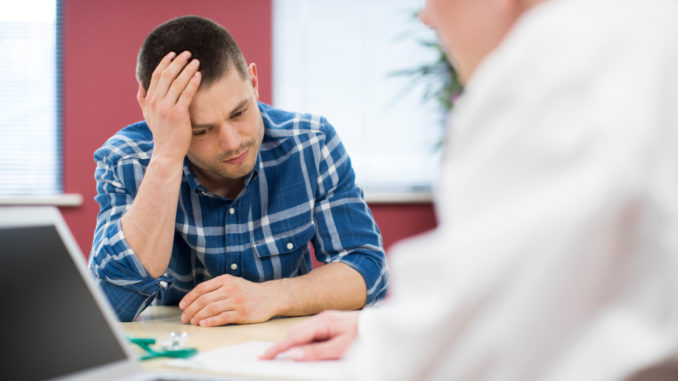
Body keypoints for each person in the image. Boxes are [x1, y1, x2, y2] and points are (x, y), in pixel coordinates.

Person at [261, 0, 678, 379]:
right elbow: (575, 287)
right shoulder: (642, 32)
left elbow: (475, 341)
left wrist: (402, 341)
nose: (426, 17)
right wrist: (377, 329)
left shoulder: (552, 67)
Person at [88, 16, 389, 325]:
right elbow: (111, 304)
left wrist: (273, 296)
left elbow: (368, 270)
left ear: (254, 83)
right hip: (177, 357)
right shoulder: (126, 160)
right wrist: (166, 156)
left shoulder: (311, 142)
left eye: (239, 112)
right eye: (201, 131)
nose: (232, 143)